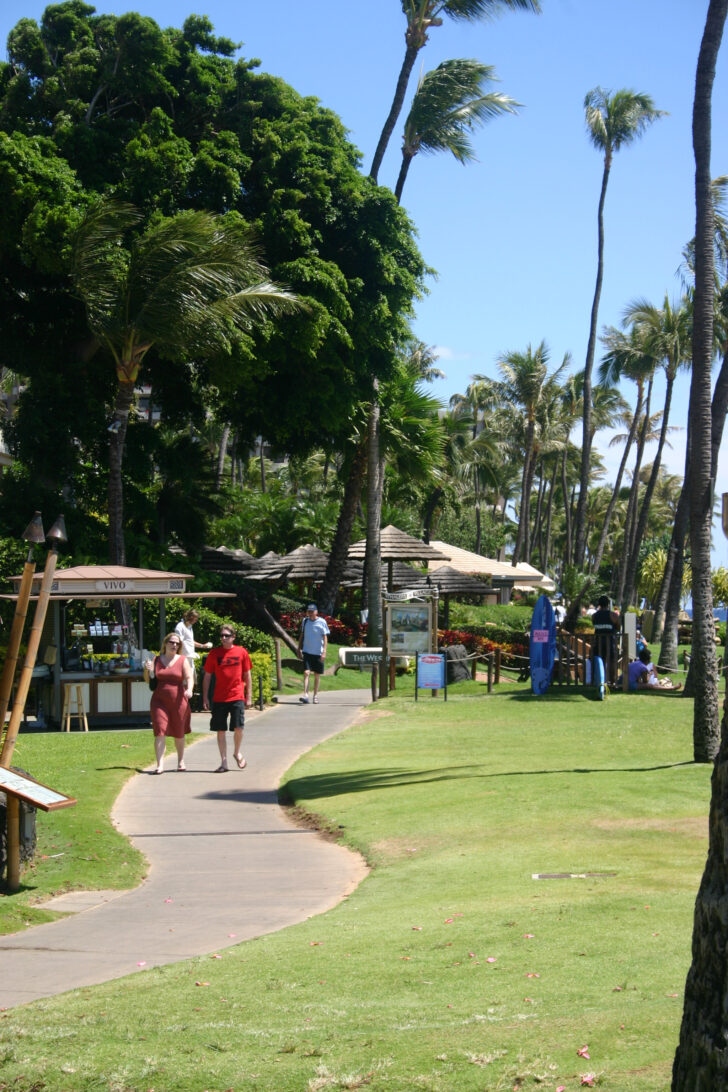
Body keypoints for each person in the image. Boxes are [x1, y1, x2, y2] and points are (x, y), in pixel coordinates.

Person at [202, 625, 253, 772]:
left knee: (238, 728)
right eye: (222, 636)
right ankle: (224, 762)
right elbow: (207, 676)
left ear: (233, 637)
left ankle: (236, 752)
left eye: (226, 635)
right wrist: (205, 697)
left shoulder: (241, 652)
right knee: (220, 730)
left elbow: (247, 674)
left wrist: (249, 696)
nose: (223, 638)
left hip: (237, 695)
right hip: (219, 697)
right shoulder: (214, 653)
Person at [144, 633, 193, 774]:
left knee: (179, 732)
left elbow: (189, 677)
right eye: (172, 642)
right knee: (160, 731)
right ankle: (160, 765)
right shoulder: (157, 659)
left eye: (177, 644)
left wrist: (189, 689)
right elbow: (149, 680)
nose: (174, 645)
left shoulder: (182, 660)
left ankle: (180, 761)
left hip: (178, 701)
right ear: (165, 643)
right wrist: (148, 670)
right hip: (159, 701)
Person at [296, 603, 329, 704]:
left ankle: (315, 696)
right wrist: (299, 648)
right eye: (308, 611)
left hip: (318, 653)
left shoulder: (322, 622)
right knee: (306, 672)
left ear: (316, 612)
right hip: (307, 651)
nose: (310, 613)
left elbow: (325, 637)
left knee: (317, 675)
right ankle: (305, 695)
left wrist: (324, 652)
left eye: (312, 611)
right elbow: (302, 634)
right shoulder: (305, 621)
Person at [591, 595, 620, 682]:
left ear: (599, 604)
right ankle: (613, 681)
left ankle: (601, 681)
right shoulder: (613, 615)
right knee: (612, 661)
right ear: (608, 604)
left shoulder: (594, 616)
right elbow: (618, 626)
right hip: (610, 642)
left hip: (598, 642)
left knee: (600, 662)